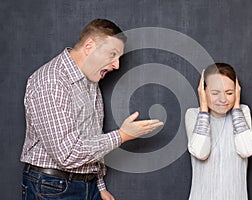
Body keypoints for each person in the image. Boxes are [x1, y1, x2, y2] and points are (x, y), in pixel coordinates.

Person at [20, 19, 163, 200]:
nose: (117, 65)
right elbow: (67, 154)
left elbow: (91, 135)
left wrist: (98, 185)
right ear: (89, 46)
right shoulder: (52, 82)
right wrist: (122, 136)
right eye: (112, 54)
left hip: (85, 185)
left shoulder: (90, 79)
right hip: (52, 188)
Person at [185, 63, 252, 200]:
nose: (223, 99)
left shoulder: (243, 112)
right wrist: (204, 110)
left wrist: (236, 108)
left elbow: (247, 150)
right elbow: (201, 152)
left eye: (229, 93)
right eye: (215, 93)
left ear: (237, 91)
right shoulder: (193, 115)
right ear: (203, 91)